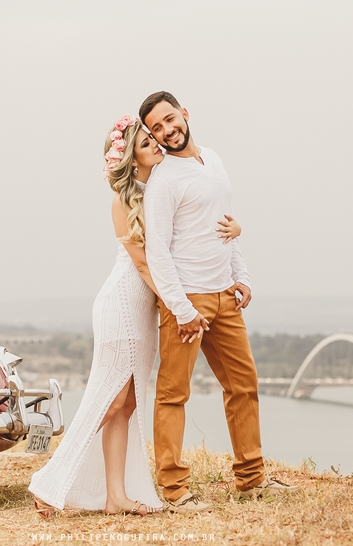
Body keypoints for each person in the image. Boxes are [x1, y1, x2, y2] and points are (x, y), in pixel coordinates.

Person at [28, 114, 241, 518]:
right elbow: (144, 266)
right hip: (122, 305)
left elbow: (197, 231)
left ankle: (115, 498)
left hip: (145, 310)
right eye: (147, 144)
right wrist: (183, 308)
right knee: (108, 402)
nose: (158, 145)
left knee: (125, 405)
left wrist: (236, 232)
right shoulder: (124, 200)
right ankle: (49, 481)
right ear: (131, 158)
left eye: (154, 140)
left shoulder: (161, 190)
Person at [140, 91, 293, 513]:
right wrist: (182, 310)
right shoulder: (164, 181)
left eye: (170, 119)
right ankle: (173, 490)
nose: (167, 130)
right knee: (173, 394)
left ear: (184, 114)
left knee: (244, 386)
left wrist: (240, 276)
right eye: (157, 128)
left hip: (225, 296)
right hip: (186, 300)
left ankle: (252, 478)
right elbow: (158, 252)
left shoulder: (214, 159)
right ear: (152, 135)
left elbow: (225, 226)